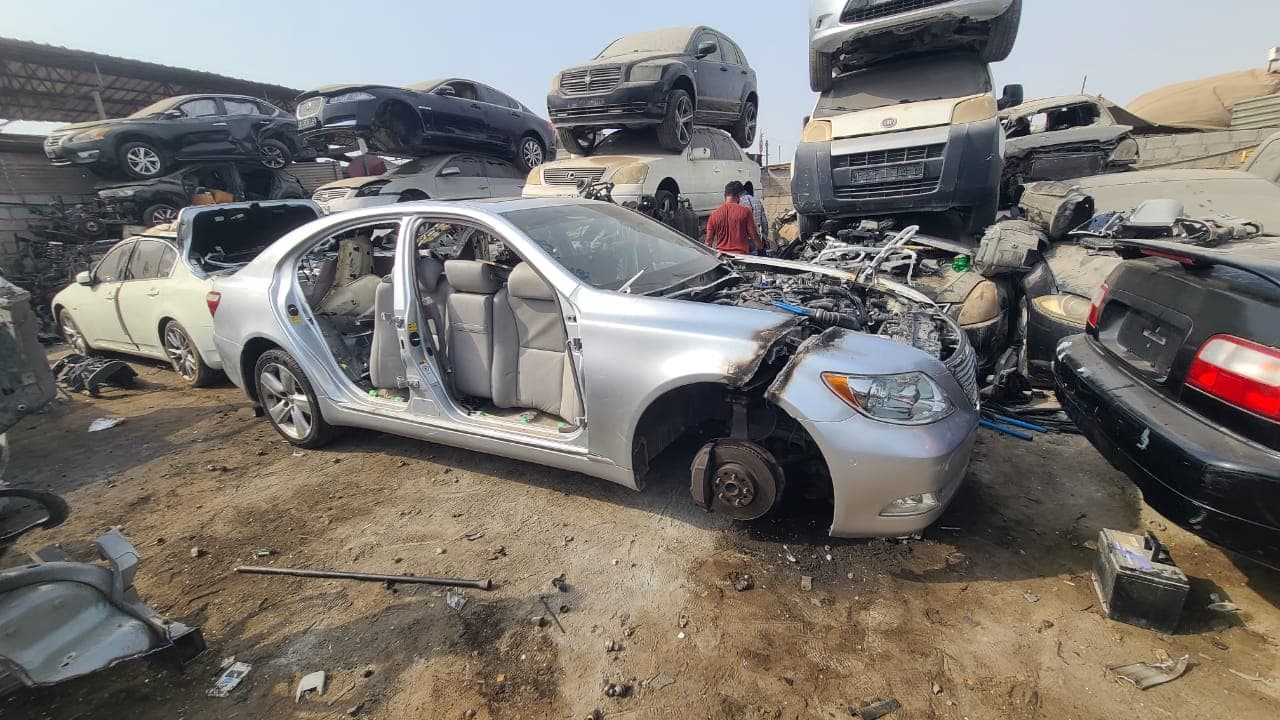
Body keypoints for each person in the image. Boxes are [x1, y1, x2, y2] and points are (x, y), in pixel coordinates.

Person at [705, 181, 761, 255]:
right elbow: (754, 235)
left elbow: (708, 241)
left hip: (722, 256)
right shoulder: (746, 212)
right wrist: (760, 248)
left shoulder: (713, 215)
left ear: (725, 196)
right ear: (738, 196)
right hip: (741, 257)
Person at [739, 181, 769, 249]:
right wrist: (765, 236)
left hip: (746, 239)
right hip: (758, 237)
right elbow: (764, 221)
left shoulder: (740, 201)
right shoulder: (757, 200)